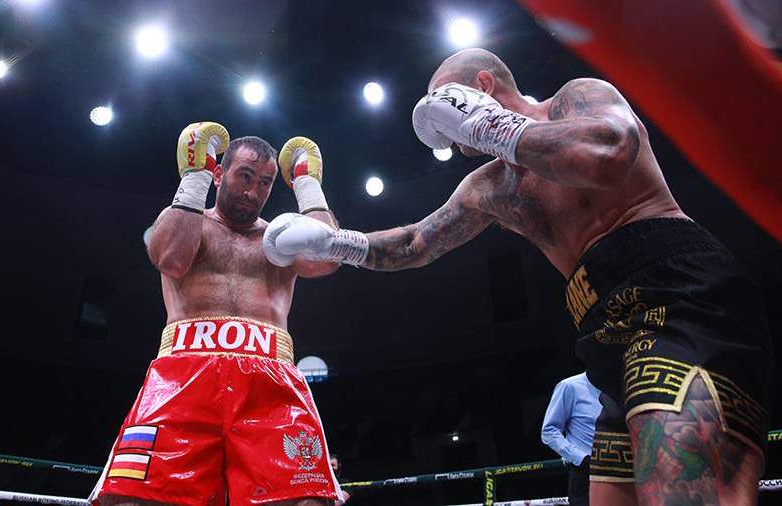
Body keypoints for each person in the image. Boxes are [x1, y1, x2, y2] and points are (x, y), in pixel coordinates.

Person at [264, 49, 773, 505]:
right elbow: (417, 243)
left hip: (679, 297)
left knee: (686, 492)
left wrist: (491, 125)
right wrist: (333, 243)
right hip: (607, 334)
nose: (455, 139)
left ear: (482, 87)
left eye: (447, 103)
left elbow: (610, 151)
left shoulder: (574, 101)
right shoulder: (492, 186)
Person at [90, 123, 346, 505]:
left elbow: (327, 258)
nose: (253, 191)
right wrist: (194, 177)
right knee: (136, 498)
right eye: (245, 176)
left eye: (264, 182)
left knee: (304, 500)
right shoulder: (184, 223)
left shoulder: (280, 237)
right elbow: (171, 260)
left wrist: (307, 183)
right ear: (218, 174)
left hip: (268, 379)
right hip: (183, 375)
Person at [541, 373, 601, 506]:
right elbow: (549, 431)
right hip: (584, 473)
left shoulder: (621, 385)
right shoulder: (570, 386)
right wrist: (580, 458)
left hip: (621, 470)